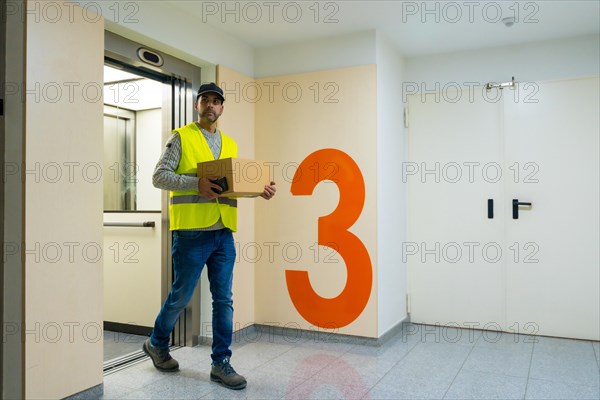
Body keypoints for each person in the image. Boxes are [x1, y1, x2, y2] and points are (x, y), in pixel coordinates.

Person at [143, 82, 276, 390]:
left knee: (224, 300)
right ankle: (157, 343)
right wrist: (195, 184)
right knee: (181, 296)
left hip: (223, 234)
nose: (211, 105)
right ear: (197, 105)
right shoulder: (182, 136)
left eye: (216, 101)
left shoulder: (230, 144)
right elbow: (159, 176)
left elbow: (232, 187)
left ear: (222, 108)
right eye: (205, 100)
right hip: (191, 234)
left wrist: (260, 190)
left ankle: (221, 363)